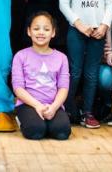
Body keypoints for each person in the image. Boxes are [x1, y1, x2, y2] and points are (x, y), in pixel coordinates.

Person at [57, 0, 112, 128]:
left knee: (91, 74)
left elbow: (109, 3)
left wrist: (105, 25)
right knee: (74, 72)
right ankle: (68, 108)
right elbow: (64, 4)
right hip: (77, 31)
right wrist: (78, 23)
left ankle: (88, 112)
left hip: (97, 33)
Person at [11, 11, 71, 140]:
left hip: (52, 104)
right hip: (28, 104)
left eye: (46, 29)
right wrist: (37, 105)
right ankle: (24, 119)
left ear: (53, 32)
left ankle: (47, 122)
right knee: (35, 132)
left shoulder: (62, 58)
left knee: (62, 133)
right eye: (36, 29)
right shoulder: (20, 56)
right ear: (29, 31)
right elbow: (18, 88)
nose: (41, 32)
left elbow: (63, 87)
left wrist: (54, 107)